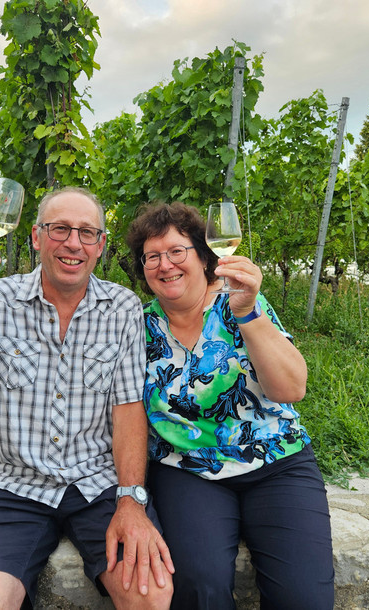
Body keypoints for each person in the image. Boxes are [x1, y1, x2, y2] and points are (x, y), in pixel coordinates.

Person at [0, 187, 174, 609]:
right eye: (60, 228)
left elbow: (128, 409)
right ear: (35, 236)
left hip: (97, 485)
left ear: (101, 245)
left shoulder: (123, 308)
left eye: (87, 232)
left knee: (151, 597)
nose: (73, 243)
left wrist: (131, 500)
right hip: (11, 487)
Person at [126, 202, 334, 609]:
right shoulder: (138, 327)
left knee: (303, 597)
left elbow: (291, 388)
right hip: (187, 468)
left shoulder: (238, 303)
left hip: (276, 461)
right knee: (198, 587)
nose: (164, 264)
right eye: (152, 256)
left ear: (204, 257)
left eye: (176, 251)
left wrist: (248, 313)